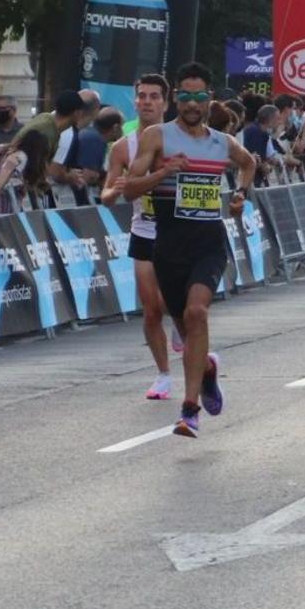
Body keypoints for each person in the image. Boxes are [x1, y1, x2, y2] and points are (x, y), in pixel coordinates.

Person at [124, 62, 257, 438]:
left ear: (209, 99)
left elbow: (249, 163)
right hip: (168, 245)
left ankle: (189, 409)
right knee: (183, 325)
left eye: (200, 97)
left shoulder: (221, 142)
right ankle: (208, 369)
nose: (193, 104)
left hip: (208, 242)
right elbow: (130, 189)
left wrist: (241, 195)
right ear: (176, 99)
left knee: (197, 313)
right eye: (186, 96)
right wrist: (162, 174)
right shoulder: (156, 138)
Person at [101, 73, 182, 400]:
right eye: (142, 96)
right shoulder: (123, 147)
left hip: (178, 232)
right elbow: (106, 192)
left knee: (172, 302)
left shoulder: (181, 138)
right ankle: (163, 375)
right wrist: (113, 192)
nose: (146, 102)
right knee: (151, 310)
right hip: (144, 230)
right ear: (135, 102)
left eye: (153, 96)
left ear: (165, 102)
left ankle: (179, 318)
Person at [74, 107, 124, 200]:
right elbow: (89, 175)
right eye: (122, 127)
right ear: (115, 128)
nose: (123, 132)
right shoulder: (95, 139)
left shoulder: (89, 133)